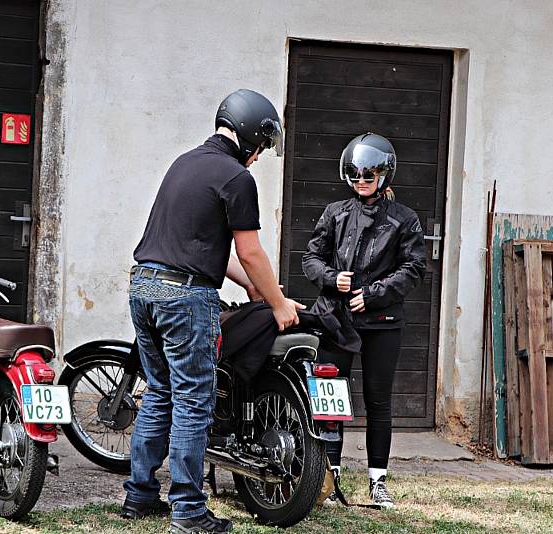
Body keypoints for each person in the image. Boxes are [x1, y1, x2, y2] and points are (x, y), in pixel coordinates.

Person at [122, 89, 305, 533]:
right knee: (191, 400)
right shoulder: (236, 178)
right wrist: (278, 303)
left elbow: (205, 247)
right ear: (249, 137)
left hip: (143, 286)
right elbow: (250, 251)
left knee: (160, 391)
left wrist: (257, 291)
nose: (259, 157)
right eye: (261, 147)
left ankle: (139, 497)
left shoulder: (184, 163)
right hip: (184, 298)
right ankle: (187, 510)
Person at [302, 132, 426, 509]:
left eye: (367, 176)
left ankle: (378, 482)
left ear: (384, 175)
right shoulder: (335, 212)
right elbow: (311, 258)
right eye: (354, 175)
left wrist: (372, 294)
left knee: (378, 401)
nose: (360, 182)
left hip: (383, 322)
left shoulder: (405, 219)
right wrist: (330, 278)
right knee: (330, 398)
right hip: (336, 320)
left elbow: (414, 267)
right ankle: (329, 475)